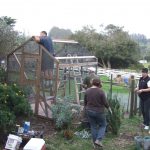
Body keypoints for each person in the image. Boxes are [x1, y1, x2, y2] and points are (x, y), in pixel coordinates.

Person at [84, 78, 112, 148]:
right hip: (99, 112)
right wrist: (109, 108)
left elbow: (85, 102)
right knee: (103, 125)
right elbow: (105, 102)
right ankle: (98, 140)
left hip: (89, 111)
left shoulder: (87, 90)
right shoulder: (101, 91)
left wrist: (85, 109)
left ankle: (95, 144)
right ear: (99, 83)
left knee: (93, 126)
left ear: (92, 83)